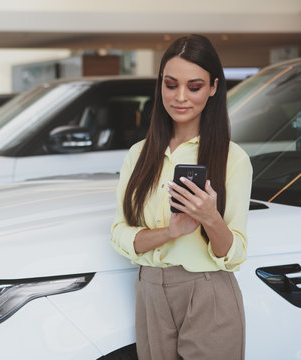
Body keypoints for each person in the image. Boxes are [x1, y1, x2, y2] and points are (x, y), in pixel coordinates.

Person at [110, 34, 252, 360]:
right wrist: (169, 233)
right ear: (160, 85)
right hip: (149, 292)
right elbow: (119, 233)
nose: (180, 97)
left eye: (195, 86)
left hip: (208, 292)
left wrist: (209, 218)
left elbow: (235, 254)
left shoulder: (233, 159)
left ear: (213, 87)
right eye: (171, 84)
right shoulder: (138, 155)